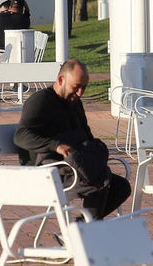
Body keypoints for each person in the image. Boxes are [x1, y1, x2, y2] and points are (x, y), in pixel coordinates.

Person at [15, 59, 132, 219]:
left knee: (121, 186)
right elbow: (21, 136)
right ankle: (88, 229)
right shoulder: (40, 101)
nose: (80, 93)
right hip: (46, 169)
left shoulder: (75, 102)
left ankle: (81, 227)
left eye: (84, 87)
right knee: (97, 184)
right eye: (76, 87)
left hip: (71, 165)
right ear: (61, 80)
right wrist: (55, 146)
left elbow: (86, 133)